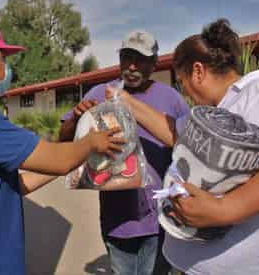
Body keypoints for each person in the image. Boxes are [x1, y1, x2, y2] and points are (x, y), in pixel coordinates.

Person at [106, 19, 259, 275]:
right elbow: (175, 133)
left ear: (198, 71)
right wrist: (127, 102)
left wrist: (222, 210)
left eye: (181, 81)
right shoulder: (213, 111)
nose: (184, 91)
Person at [0, 19, 124, 275]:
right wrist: (92, 141)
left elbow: (11, 185)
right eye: (2, 57)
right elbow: (58, 159)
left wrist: (73, 157)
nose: (5, 66)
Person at [59, 30, 189, 275]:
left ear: (153, 64)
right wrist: (76, 118)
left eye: (140, 59)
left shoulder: (171, 99)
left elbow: (190, 149)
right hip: (118, 220)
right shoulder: (99, 94)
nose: (131, 66)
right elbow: (63, 139)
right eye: (126, 57)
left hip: (162, 218)